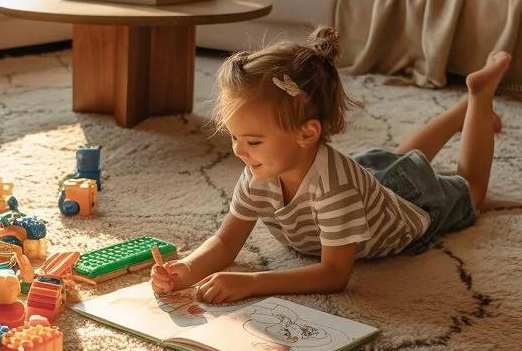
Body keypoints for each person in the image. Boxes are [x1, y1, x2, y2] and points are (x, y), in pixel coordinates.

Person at [151, 26, 510, 304]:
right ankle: (461, 110)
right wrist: (186, 270)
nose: (240, 152)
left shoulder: (336, 189)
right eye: (234, 137)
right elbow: (226, 241)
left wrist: (254, 282)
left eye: (253, 141)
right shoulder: (261, 170)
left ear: (307, 134)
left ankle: (478, 96)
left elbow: (335, 273)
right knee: (399, 161)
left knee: (471, 191)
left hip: (410, 205)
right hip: (370, 181)